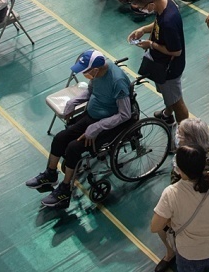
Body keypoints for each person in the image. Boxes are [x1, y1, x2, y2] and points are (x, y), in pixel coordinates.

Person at [26, 49, 132, 209]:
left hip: (107, 124)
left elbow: (125, 114)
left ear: (95, 69)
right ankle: (51, 173)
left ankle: (65, 191)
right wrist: (73, 102)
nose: (84, 75)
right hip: (91, 116)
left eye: (85, 71)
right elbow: (90, 92)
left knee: (73, 148)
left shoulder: (117, 81)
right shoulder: (97, 75)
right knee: (60, 138)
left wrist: (97, 127)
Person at [151, 144, 209, 272]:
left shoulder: (171, 193)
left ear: (179, 170)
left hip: (190, 254)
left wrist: (171, 222)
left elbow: (155, 227)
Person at [128, 0, 189, 125]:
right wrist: (144, 29)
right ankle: (167, 114)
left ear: (151, 4)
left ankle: (185, 134)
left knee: (177, 102)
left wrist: (151, 45)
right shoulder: (166, 2)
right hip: (159, 63)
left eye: (142, 8)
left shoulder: (169, 22)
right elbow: (157, 23)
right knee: (167, 94)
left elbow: (176, 51)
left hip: (170, 68)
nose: (143, 10)